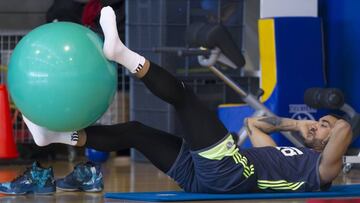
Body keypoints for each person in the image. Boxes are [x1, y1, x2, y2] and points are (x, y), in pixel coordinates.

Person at [3, 6, 353, 194]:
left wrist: (331, 126)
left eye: (324, 126)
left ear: (329, 144)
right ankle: (53, 137)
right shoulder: (287, 153)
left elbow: (346, 130)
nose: (318, 125)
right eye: (320, 121)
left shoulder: (323, 170)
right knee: (136, 132)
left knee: (184, 98)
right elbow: (254, 123)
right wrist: (296, 124)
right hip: (208, 177)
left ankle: (122, 53)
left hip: (230, 174)